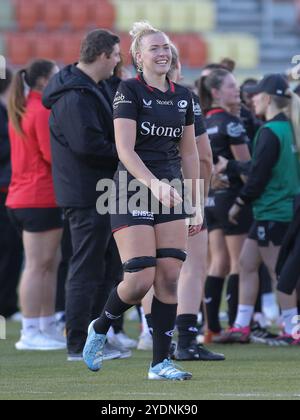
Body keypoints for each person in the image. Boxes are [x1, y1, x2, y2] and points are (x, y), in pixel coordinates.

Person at [83, 21, 202, 381]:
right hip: (132, 187)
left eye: (166, 47)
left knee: (169, 278)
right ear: (138, 57)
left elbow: (191, 153)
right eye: (154, 48)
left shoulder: (184, 96)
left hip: (171, 190)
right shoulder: (128, 90)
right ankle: (100, 327)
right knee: (139, 279)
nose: (163, 52)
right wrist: (154, 185)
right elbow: (124, 149)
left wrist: (195, 200)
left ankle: (159, 364)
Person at [42, 30, 124, 361]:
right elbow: (88, 146)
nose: (119, 60)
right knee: (87, 267)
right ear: (104, 55)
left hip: (101, 190)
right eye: (117, 54)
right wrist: (128, 154)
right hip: (86, 193)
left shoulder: (94, 88)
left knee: (108, 268)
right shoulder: (75, 96)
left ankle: (97, 337)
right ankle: (77, 343)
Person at [216, 74, 300, 344]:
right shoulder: (290, 127)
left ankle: (292, 328)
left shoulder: (269, 131)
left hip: (273, 210)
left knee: (281, 273)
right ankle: (241, 325)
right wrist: (232, 167)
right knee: (246, 263)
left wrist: (239, 203)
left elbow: (258, 175)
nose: (250, 99)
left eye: (254, 95)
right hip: (280, 208)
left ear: (266, 98)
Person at [6, 60, 65, 351]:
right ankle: (30, 331)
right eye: (55, 76)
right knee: (37, 265)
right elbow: (52, 155)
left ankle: (45, 324)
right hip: (38, 197)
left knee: (48, 264)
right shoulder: (40, 110)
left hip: (28, 196)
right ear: (43, 81)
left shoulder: (27, 107)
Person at [199, 69, 252, 342]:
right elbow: (246, 169)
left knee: (216, 262)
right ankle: (235, 326)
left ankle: (211, 328)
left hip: (209, 198)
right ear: (216, 92)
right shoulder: (232, 123)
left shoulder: (203, 120)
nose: (237, 90)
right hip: (231, 198)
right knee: (238, 263)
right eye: (232, 86)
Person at [0, 68, 23, 319]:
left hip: (9, 187)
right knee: (9, 248)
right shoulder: (7, 115)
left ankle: (7, 303)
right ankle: (6, 305)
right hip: (6, 187)